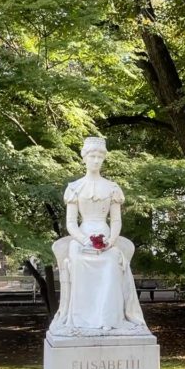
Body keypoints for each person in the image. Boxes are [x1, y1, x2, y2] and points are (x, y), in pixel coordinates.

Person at [48, 137, 148, 336]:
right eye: (92, 156)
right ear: (84, 158)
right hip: (81, 239)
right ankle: (82, 320)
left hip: (106, 239)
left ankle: (107, 319)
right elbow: (70, 223)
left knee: (112, 263)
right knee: (77, 260)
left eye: (99, 157)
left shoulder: (112, 188)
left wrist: (110, 241)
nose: (96, 160)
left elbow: (116, 221)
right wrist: (85, 240)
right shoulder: (75, 187)